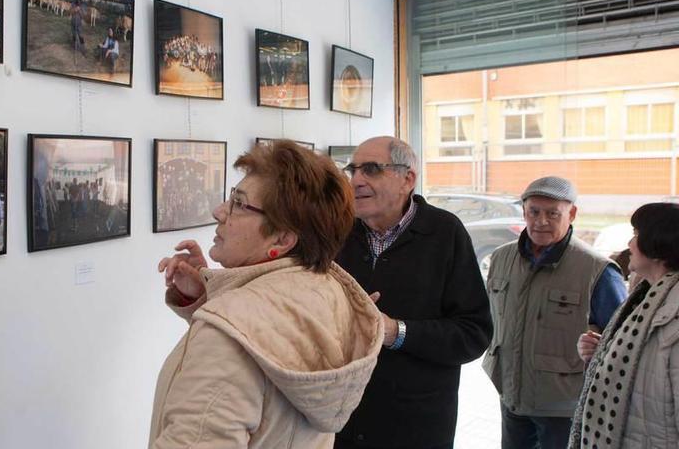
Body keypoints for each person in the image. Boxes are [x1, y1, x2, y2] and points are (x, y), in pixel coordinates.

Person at [150, 140, 384, 448]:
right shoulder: (326, 290)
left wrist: (219, 316)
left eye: (239, 203)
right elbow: (276, 347)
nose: (219, 211)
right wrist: (208, 296)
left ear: (283, 238)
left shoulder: (226, 336)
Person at [334, 136, 493, 449]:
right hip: (341, 422)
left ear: (408, 179)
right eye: (353, 170)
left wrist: (395, 331)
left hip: (414, 427)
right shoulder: (338, 231)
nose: (357, 181)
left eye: (371, 170)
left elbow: (473, 334)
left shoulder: (445, 234)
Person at [483, 176, 627, 449]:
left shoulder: (598, 270)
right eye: (534, 212)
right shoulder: (501, 258)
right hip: (511, 397)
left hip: (563, 409)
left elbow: (621, 345)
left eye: (553, 213)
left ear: (571, 214)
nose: (541, 221)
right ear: (524, 211)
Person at [568, 202, 679, 448]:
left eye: (637, 235)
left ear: (658, 244)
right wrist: (603, 352)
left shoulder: (672, 314)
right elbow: (643, 364)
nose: (629, 245)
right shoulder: (645, 295)